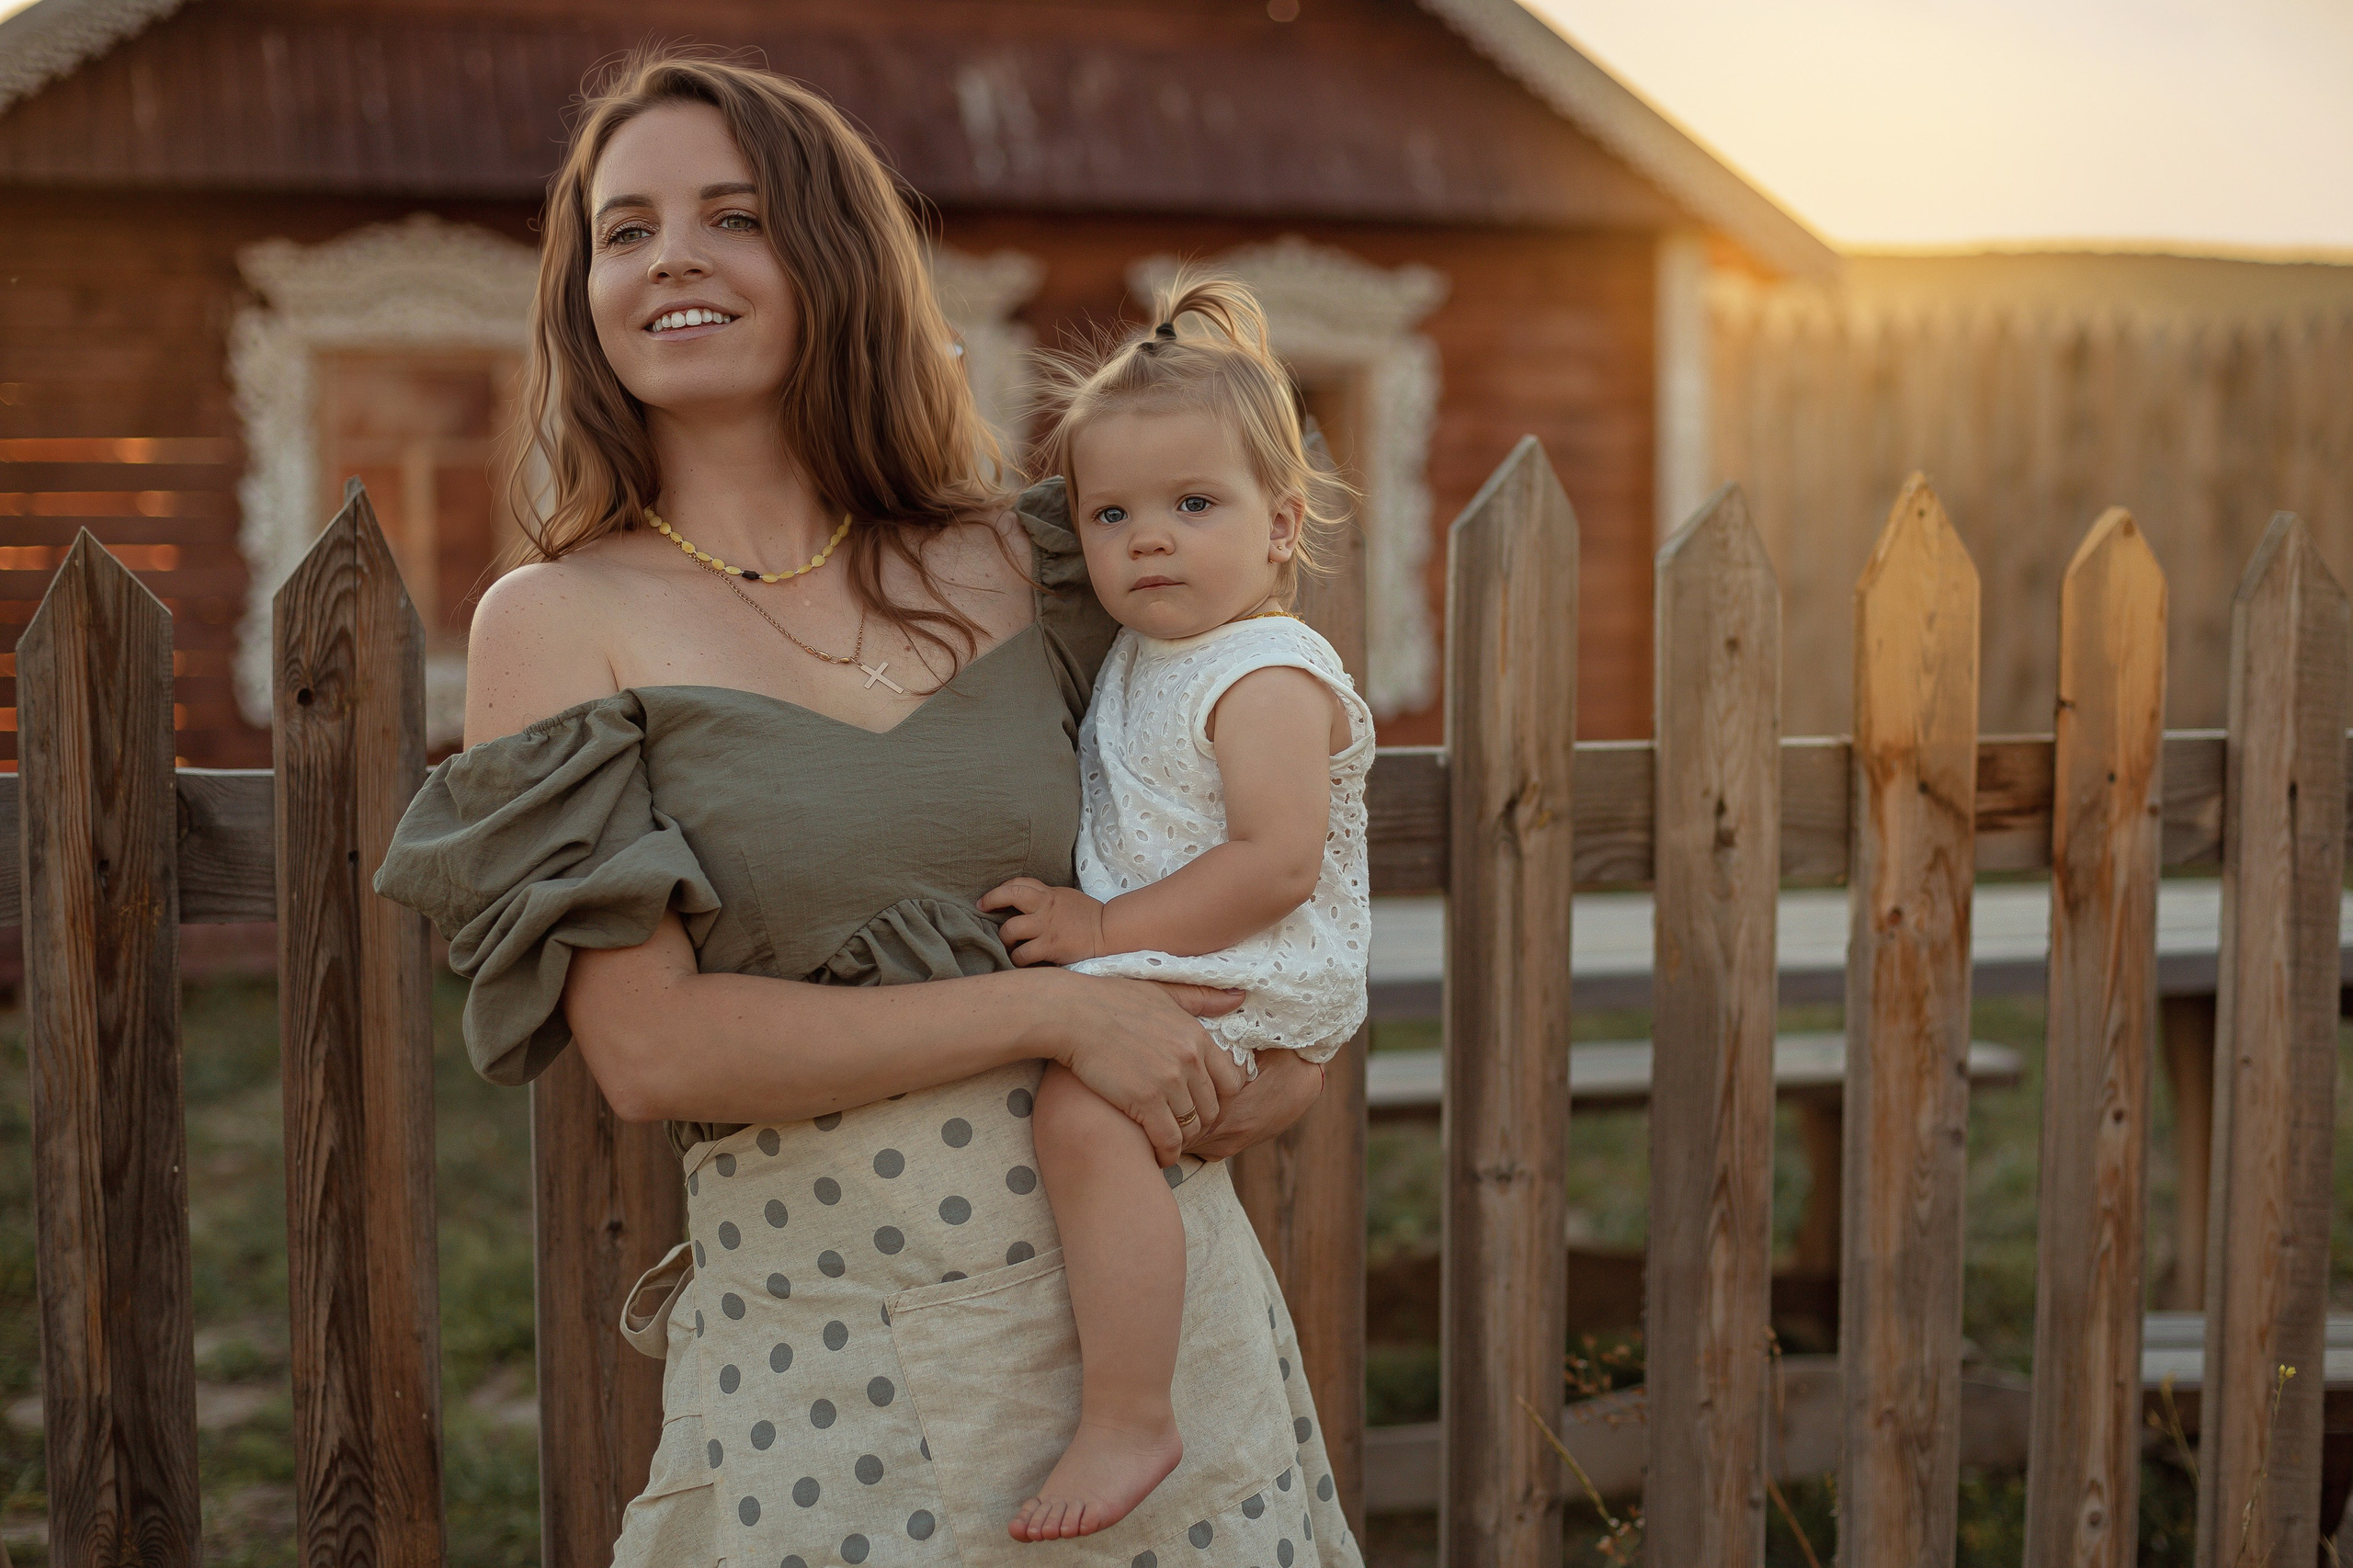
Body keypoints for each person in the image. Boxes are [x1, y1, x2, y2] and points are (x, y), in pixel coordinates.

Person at [371, 51, 1360, 1568]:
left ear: (834, 256)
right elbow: (650, 1050)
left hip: (1154, 1353)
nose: (671, 259)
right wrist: (1058, 1015)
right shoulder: (555, 623)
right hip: (827, 1362)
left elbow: (1261, 801)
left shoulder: (1035, 558)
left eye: (732, 215)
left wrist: (1287, 1056)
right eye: (622, 230)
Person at [977, 277, 1372, 1540]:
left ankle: (1131, 1408)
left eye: (1194, 505)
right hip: (1187, 961)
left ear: (1279, 527)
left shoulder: (1266, 671)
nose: (1148, 539)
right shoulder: (1149, 655)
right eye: (1113, 512)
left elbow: (1274, 861)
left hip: (1250, 965)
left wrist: (1099, 933)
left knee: (1085, 1122)